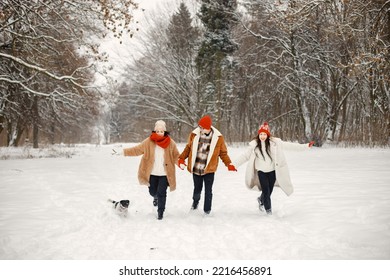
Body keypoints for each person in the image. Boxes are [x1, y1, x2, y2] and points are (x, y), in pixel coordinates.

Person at [233, 122, 314, 215]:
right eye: (261, 134)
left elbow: (290, 146)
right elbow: (245, 156)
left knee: (269, 191)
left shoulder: (275, 143)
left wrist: (305, 146)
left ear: (268, 135)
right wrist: (234, 165)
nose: (262, 136)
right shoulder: (254, 145)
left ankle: (261, 200)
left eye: (264, 134)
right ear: (258, 134)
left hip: (272, 171)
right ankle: (269, 213)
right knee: (266, 191)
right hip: (261, 172)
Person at [178, 115, 237, 215]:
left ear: (207, 127)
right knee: (197, 189)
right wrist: (181, 158)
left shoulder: (218, 138)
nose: (200, 129)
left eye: (202, 127)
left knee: (208, 191)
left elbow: (223, 153)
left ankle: (207, 210)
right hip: (196, 168)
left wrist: (229, 164)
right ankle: (195, 203)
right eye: (199, 127)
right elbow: (188, 148)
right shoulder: (194, 134)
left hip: (209, 169)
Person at [123, 120, 180, 220]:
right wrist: (124, 152)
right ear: (154, 131)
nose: (159, 133)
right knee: (153, 192)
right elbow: (137, 150)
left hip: (164, 173)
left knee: (162, 193)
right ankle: (155, 197)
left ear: (165, 131)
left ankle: (160, 212)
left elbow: (176, 155)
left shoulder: (170, 143)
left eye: (161, 131)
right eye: (157, 131)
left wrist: (181, 162)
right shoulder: (149, 141)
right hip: (152, 173)